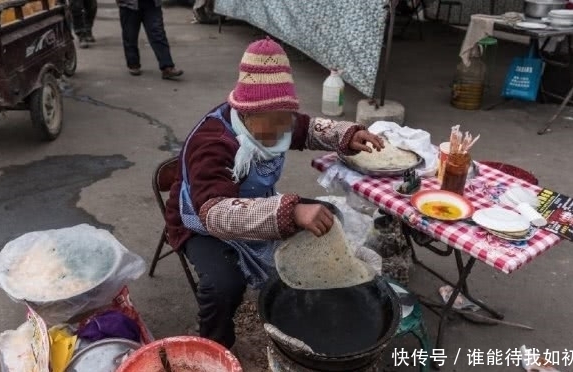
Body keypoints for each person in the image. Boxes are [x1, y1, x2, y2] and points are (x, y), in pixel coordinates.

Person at [164, 37, 384, 349]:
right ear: (246, 113)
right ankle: (215, 346)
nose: (285, 128)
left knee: (326, 221)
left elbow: (307, 128)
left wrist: (347, 136)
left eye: (287, 118)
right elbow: (215, 214)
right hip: (200, 222)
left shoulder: (275, 120)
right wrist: (289, 212)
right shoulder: (213, 143)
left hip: (256, 205)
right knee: (223, 285)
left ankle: (307, 299)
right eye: (276, 121)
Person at [116, 0, 183, 78]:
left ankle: (167, 66)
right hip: (128, 5)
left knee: (158, 34)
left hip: (152, 4)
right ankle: (133, 63)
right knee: (130, 35)